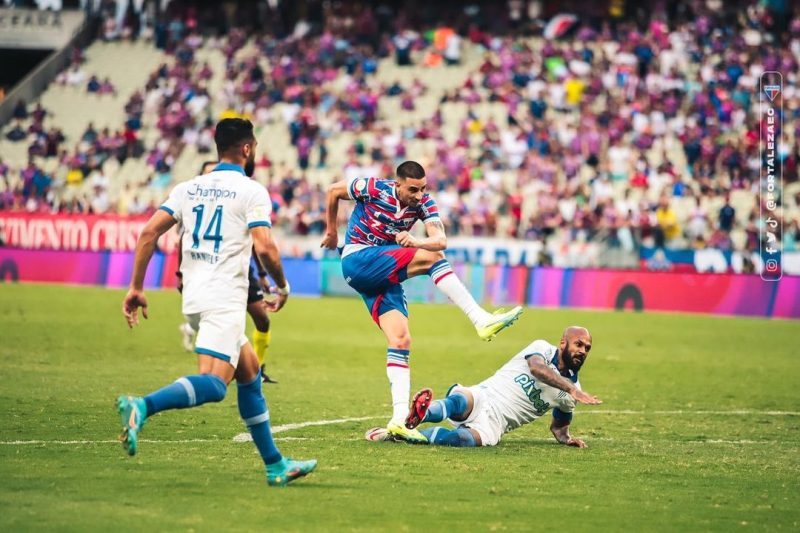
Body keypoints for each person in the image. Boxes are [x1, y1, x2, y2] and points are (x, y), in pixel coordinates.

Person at [117, 118, 316, 486]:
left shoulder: (188, 188)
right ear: (247, 148)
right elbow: (266, 246)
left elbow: (148, 233)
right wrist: (283, 286)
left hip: (194, 296)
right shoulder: (251, 190)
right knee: (213, 385)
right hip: (223, 297)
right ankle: (142, 405)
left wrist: (136, 287)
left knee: (250, 372)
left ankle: (275, 465)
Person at [321, 161, 523, 442]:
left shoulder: (424, 204)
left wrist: (417, 242)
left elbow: (440, 240)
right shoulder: (373, 187)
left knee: (401, 339)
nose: (419, 195)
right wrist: (331, 231)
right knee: (432, 261)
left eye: (423, 188)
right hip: (358, 259)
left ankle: (398, 420)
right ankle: (480, 319)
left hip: (382, 274)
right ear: (398, 184)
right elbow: (332, 191)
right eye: (413, 189)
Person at [375, 326, 601, 447]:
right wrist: (572, 389)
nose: (582, 350)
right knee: (461, 401)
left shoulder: (571, 394)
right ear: (563, 343)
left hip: (495, 424)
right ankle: (414, 417)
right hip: (486, 395)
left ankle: (404, 435)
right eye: (578, 344)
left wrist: (567, 438)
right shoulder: (542, 348)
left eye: (587, 348)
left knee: (461, 441)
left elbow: (559, 427)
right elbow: (537, 369)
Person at [178, 161, 277, 383]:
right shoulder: (195, 197)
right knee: (214, 379)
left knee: (262, 319)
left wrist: (261, 274)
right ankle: (227, 372)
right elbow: (182, 239)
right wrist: (180, 273)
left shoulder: (237, 196)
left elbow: (256, 241)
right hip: (209, 275)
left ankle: (256, 369)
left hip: (239, 271)